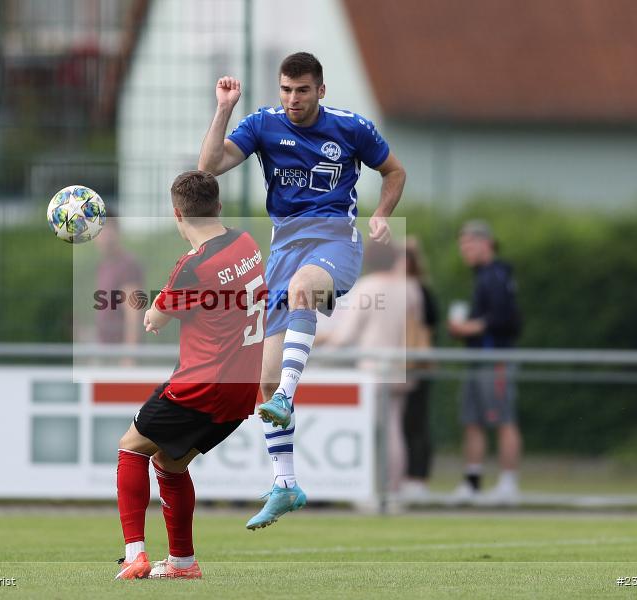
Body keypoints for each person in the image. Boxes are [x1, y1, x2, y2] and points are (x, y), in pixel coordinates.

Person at [198, 51, 406, 529]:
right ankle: (286, 484)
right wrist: (224, 108)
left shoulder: (352, 128)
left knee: (303, 289)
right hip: (284, 251)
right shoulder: (262, 124)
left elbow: (394, 171)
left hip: (336, 242)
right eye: (286, 90)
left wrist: (381, 215)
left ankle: (288, 396)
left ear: (321, 90)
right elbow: (208, 168)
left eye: (303, 91)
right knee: (263, 380)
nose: (293, 100)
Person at [114, 171, 267, 579]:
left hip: (201, 385)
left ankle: (134, 555)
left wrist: (152, 309)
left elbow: (155, 320)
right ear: (218, 206)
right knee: (170, 463)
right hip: (240, 393)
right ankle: (182, 562)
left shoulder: (193, 266)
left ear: (177, 213)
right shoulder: (247, 244)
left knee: (131, 447)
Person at [317, 241, 420, 495]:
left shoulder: (367, 287)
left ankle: (374, 490)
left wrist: (319, 342)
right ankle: (393, 489)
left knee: (372, 432)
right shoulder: (410, 288)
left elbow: (345, 336)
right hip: (401, 367)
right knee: (394, 429)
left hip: (373, 369)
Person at [447, 220, 522, 504]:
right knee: (472, 420)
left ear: (486, 243)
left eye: (469, 244)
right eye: (462, 246)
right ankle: (473, 482)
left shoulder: (497, 275)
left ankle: (508, 483)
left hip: (495, 359)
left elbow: (506, 318)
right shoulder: (482, 276)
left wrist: (468, 328)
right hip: (477, 359)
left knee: (503, 419)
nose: (465, 251)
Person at [400, 237, 438, 499]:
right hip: (402, 362)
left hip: (414, 364)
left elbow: (425, 329)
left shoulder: (419, 291)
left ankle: (417, 477)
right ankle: (403, 476)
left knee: (416, 423)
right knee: (400, 423)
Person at [93, 214, 144, 363]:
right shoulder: (103, 266)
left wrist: (129, 357)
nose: (104, 236)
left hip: (119, 355)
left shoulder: (126, 266)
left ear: (117, 232)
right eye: (99, 231)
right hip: (105, 352)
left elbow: (133, 314)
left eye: (108, 230)